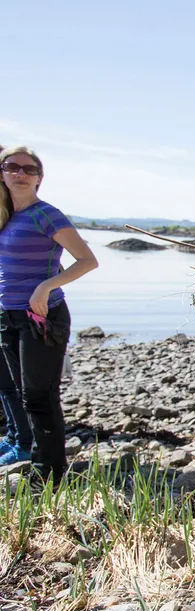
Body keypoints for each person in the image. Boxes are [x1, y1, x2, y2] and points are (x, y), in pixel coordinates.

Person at [0, 147, 98, 483]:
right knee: (23, 394)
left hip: (42, 316)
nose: (20, 174)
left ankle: (50, 475)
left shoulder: (47, 215)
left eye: (29, 169)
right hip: (8, 315)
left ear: (39, 178)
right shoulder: (5, 215)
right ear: (2, 173)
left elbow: (87, 260)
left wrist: (46, 286)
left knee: (40, 396)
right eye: (12, 167)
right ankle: (40, 462)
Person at [0, 144, 33, 463]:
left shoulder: (26, 213)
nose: (17, 174)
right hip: (6, 304)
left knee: (15, 382)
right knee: (3, 380)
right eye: (10, 168)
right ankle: (14, 435)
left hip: (17, 307)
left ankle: (24, 442)